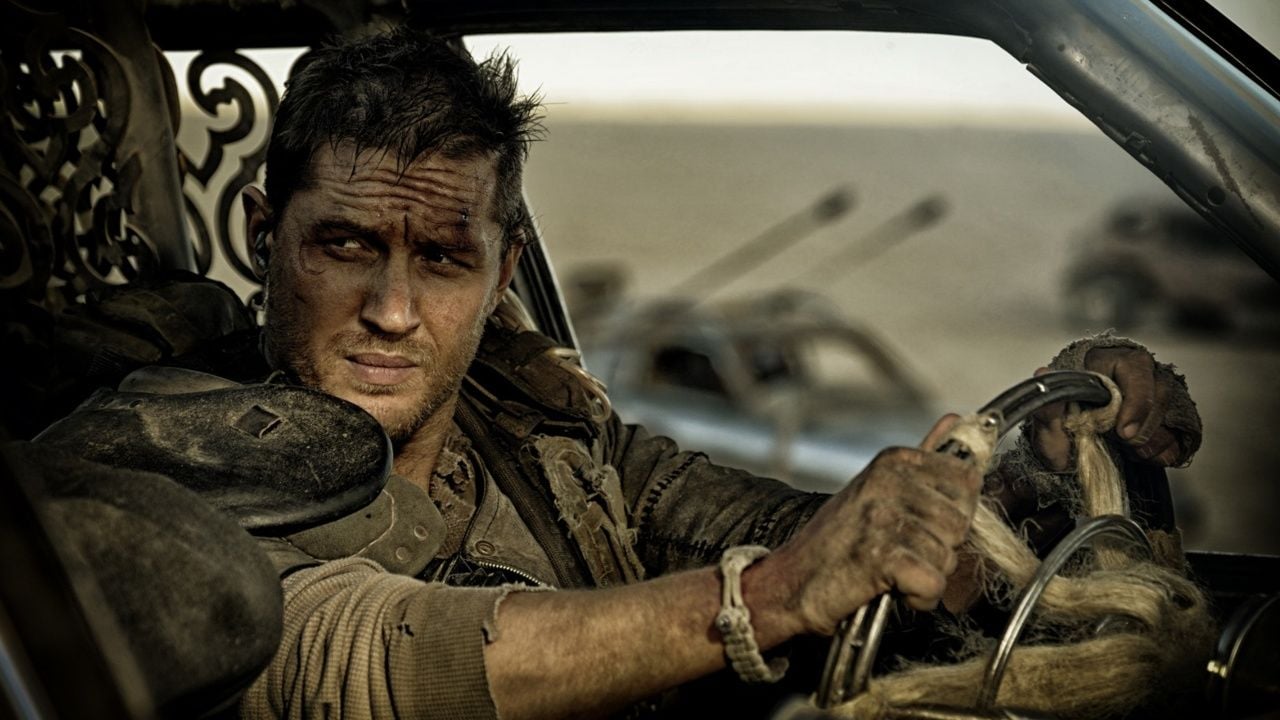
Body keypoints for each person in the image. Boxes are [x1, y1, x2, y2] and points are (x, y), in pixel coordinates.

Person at [33, 27, 1201, 719]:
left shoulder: (534, 426)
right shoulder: (164, 450)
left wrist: (1021, 481)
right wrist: (765, 598)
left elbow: (767, 524)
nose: (391, 311)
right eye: (344, 246)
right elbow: (346, 656)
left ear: (502, 274)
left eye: (441, 259)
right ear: (262, 235)